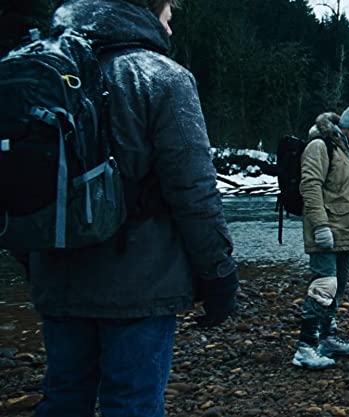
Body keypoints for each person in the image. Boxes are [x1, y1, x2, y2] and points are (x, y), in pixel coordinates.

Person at [19, 0, 240, 416]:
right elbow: (194, 192)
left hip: (57, 275)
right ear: (148, 11)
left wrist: (32, 261)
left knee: (63, 398)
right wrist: (219, 276)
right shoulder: (161, 77)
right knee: (132, 404)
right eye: (168, 18)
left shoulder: (40, 68)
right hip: (140, 283)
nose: (170, 32)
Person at [292, 107, 349, 369]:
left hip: (344, 234)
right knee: (323, 288)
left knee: (337, 288)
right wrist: (321, 226)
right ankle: (305, 347)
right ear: (347, 126)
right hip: (325, 232)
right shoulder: (320, 146)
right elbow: (310, 186)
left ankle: (327, 338)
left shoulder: (348, 151)